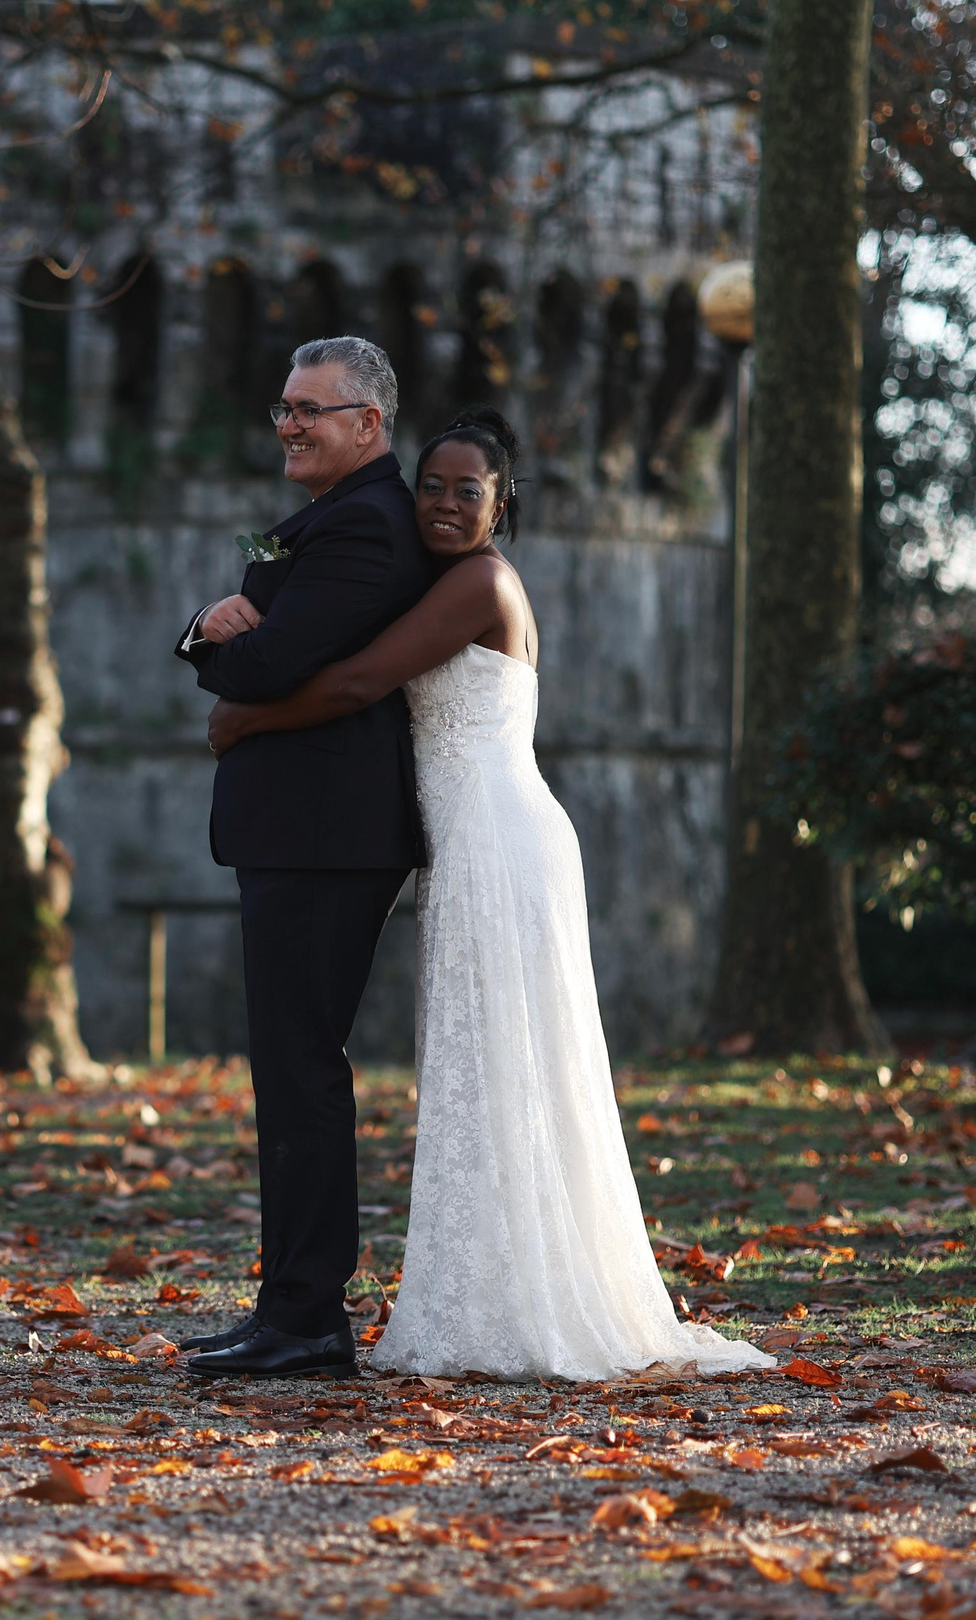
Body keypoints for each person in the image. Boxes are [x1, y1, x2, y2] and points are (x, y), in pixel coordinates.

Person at [204, 408, 773, 1381]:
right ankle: (496, 1288)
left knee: (505, 1062)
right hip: (470, 844)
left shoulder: (479, 581)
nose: (441, 504)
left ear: (502, 505)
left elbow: (358, 683)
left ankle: (525, 1301)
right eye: (429, 486)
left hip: (501, 841)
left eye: (466, 491)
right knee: (490, 1067)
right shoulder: (437, 574)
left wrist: (238, 722)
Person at [171, 336, 430, 1379]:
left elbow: (272, 664)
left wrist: (228, 648)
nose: (287, 423)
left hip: (326, 838)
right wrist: (208, 630)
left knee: (302, 1074)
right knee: (287, 1074)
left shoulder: (366, 528)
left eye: (309, 410)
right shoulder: (327, 521)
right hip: (300, 835)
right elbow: (243, 647)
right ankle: (286, 1305)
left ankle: (308, 1317)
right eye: (282, 406)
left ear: (367, 425)